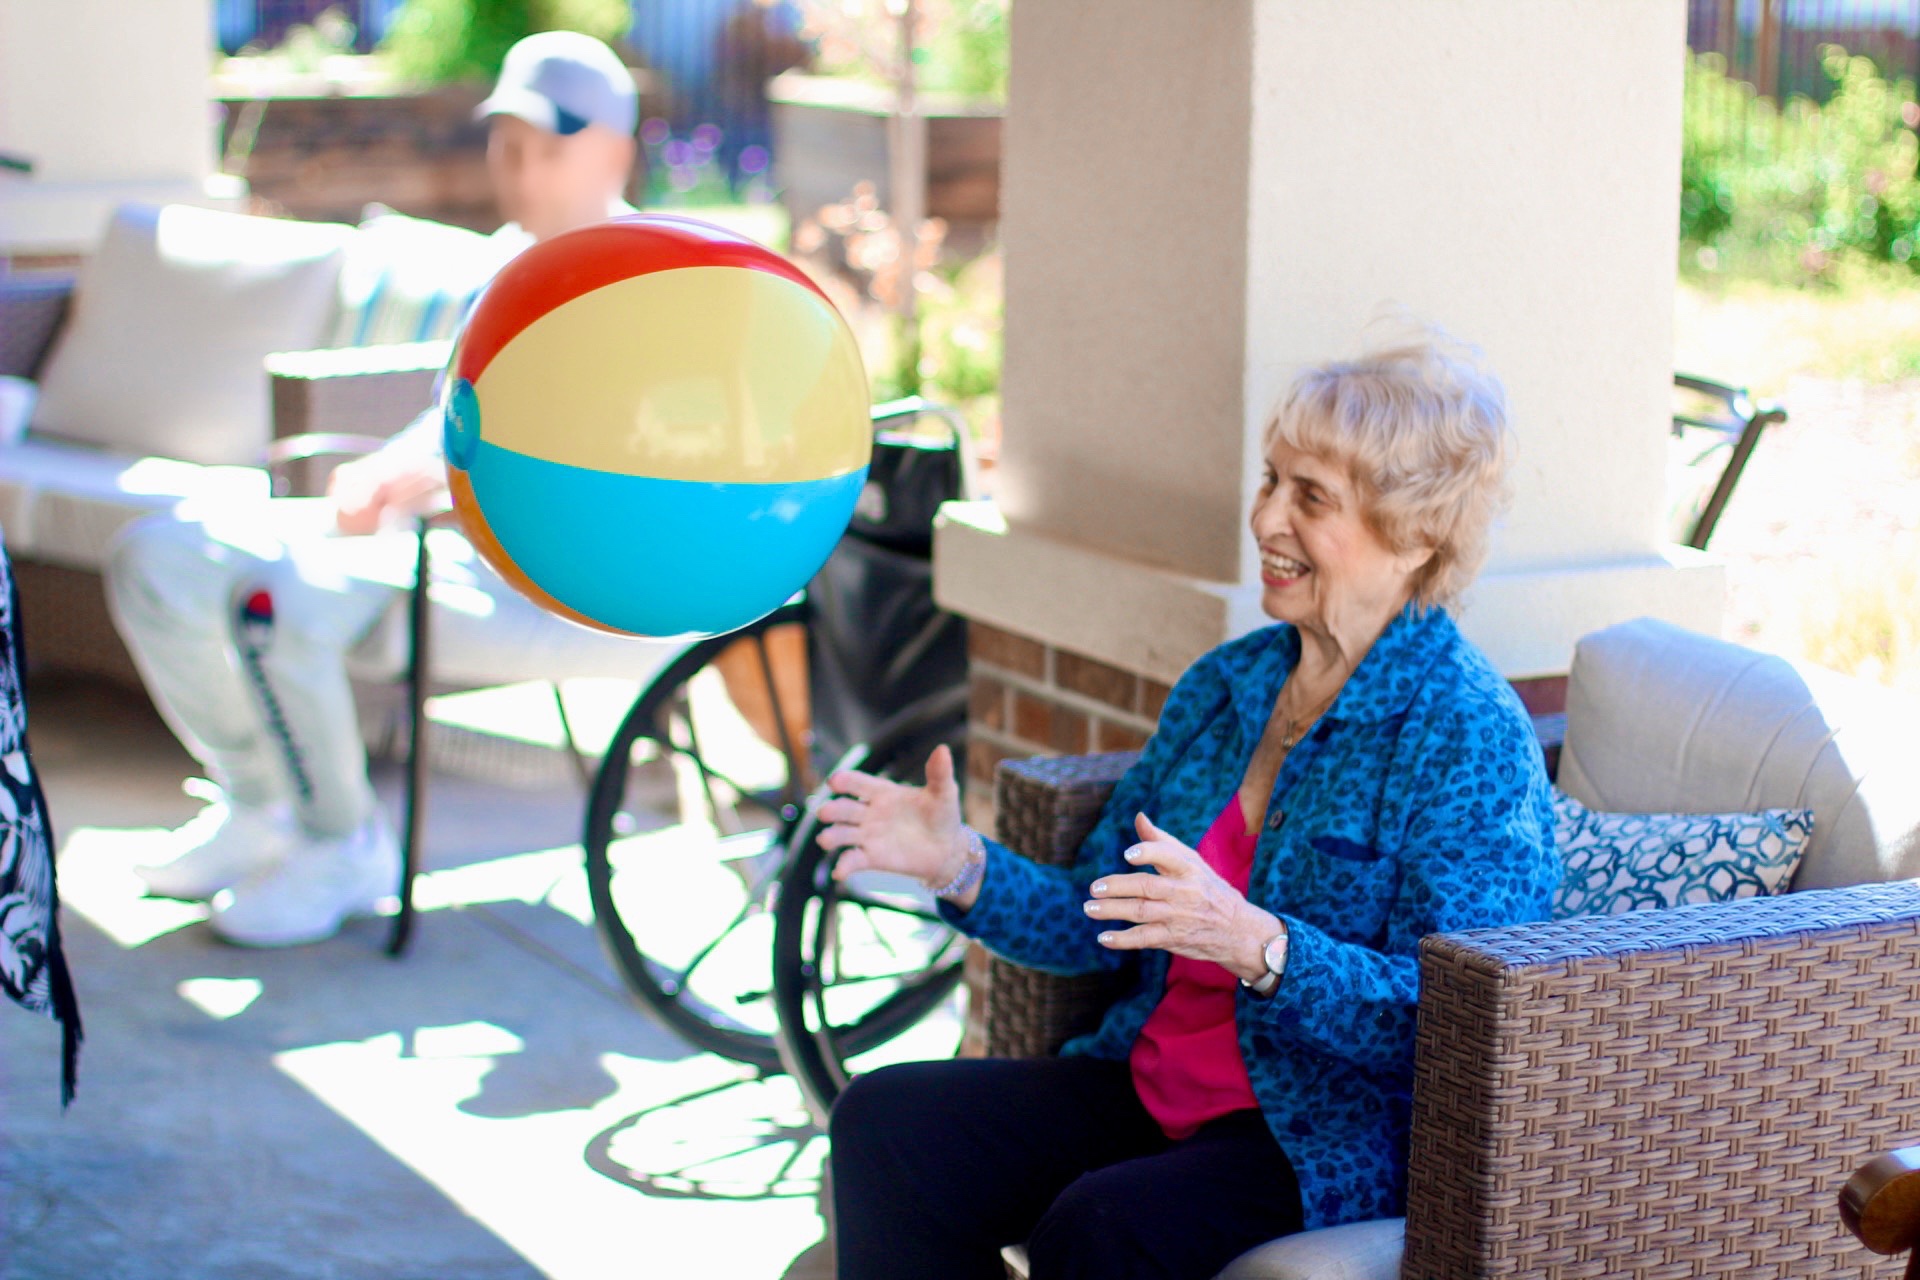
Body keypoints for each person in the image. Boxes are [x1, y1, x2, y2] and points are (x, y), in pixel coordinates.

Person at [820, 334, 1562, 1279]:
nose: (1266, 519)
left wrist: (1262, 948)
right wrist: (959, 864)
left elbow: (1458, 1024)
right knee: (887, 1124)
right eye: (1272, 481)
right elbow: (1098, 918)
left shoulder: (1465, 733)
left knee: (1101, 1228)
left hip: (1318, 1134)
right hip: (1149, 1082)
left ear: (1416, 536)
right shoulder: (1228, 685)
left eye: (1311, 498)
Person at [107, 31, 652, 948]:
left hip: (549, 582)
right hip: (434, 545)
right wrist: (387, 472)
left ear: (615, 153)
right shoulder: (509, 265)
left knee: (283, 596)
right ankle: (257, 806)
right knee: (158, 558)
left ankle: (340, 845)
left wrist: (423, 479)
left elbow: (593, 454)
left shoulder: (648, 278)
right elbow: (455, 415)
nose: (521, 170)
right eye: (507, 143)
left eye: (549, 147)